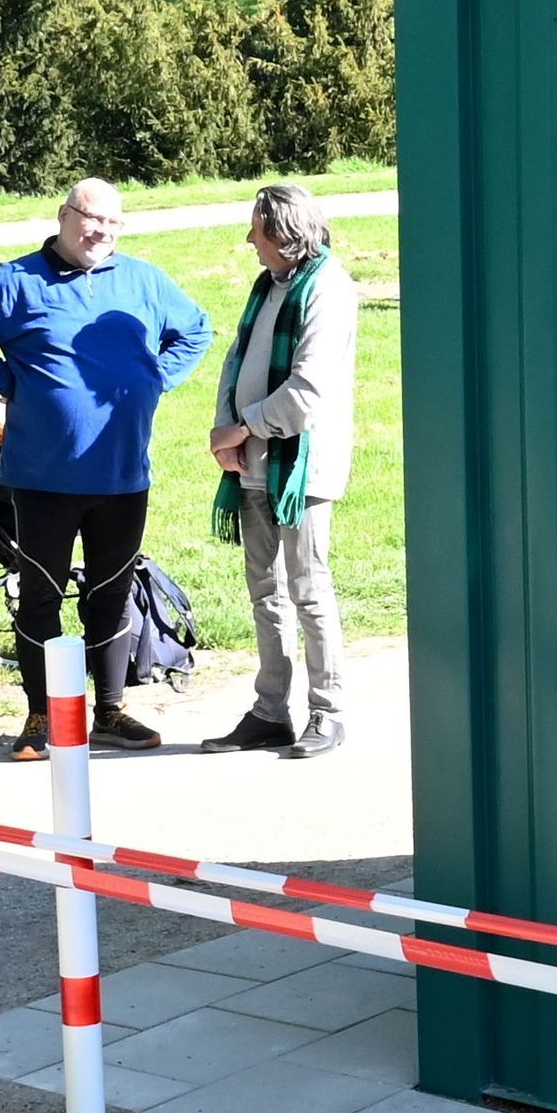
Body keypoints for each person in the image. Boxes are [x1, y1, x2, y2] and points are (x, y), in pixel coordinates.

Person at [0, 177, 212, 754]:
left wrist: (153, 381)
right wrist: (6, 381)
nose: (100, 232)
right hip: (43, 477)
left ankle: (111, 710)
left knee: (110, 592)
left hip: (121, 474)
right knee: (39, 595)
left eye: (112, 223)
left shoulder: (144, 280)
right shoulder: (16, 283)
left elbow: (197, 330)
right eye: (90, 219)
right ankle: (43, 715)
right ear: (63, 216)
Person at [203, 183, 360, 760]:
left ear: (286, 234)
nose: (250, 239)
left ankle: (328, 711)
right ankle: (271, 712)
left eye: (257, 230)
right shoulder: (267, 286)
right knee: (265, 592)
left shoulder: (329, 289)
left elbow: (307, 392)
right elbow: (235, 361)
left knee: (309, 590)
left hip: (300, 472)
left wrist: (242, 427)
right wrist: (226, 433)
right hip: (251, 466)